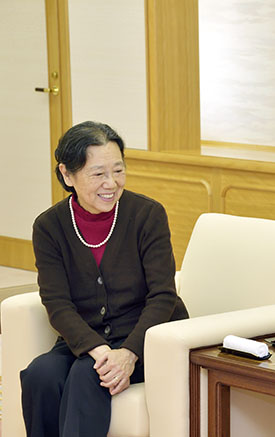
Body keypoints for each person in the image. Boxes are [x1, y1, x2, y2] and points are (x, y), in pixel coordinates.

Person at [20, 121, 189, 436]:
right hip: (88, 337)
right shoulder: (49, 226)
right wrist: (97, 349)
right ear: (67, 175)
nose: (111, 183)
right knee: (40, 374)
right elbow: (56, 301)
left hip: (145, 338)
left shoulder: (147, 215)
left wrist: (128, 353)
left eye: (118, 171)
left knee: (89, 375)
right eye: (98, 174)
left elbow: (163, 295)